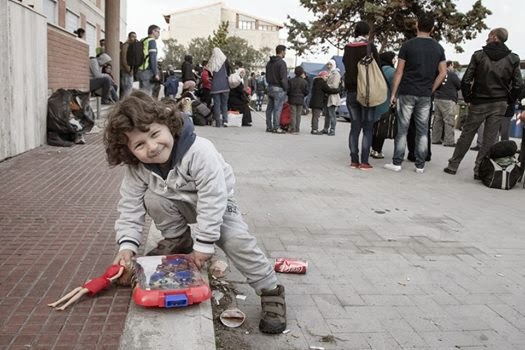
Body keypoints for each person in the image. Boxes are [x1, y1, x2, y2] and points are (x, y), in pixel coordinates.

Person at [104, 91, 287, 334]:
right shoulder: (137, 168)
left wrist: (205, 244)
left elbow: (213, 199)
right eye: (139, 144)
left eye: (154, 134)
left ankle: (270, 289)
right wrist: (126, 246)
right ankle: (178, 238)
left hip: (218, 203)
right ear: (127, 150)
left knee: (234, 239)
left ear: (168, 124)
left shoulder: (200, 151)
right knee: (152, 197)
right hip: (177, 202)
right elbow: (130, 206)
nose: (152, 147)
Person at [444, 27, 523, 179]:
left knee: (467, 134)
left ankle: (453, 165)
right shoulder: (513, 59)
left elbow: (466, 80)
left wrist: (468, 99)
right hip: (500, 103)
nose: (486, 38)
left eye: (488, 35)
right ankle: (479, 170)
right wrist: (509, 101)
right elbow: (518, 85)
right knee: (489, 138)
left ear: (494, 37)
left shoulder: (479, 55)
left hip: (479, 101)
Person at [384, 12, 447, 174]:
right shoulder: (438, 48)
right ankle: (420, 165)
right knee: (423, 130)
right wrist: (432, 88)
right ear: (432, 29)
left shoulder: (408, 46)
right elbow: (443, 72)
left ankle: (397, 162)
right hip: (425, 94)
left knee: (402, 129)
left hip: (407, 91)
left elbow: (399, 72)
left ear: (417, 25)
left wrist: (393, 93)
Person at [343, 21, 381, 170]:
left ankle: (354, 160)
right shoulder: (370, 47)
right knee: (368, 127)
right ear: (368, 32)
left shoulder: (348, 47)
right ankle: (364, 162)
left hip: (352, 92)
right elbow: (377, 68)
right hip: (367, 92)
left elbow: (346, 65)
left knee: (355, 127)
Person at [371, 52, 397, 159]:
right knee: (381, 127)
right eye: (394, 59)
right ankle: (377, 150)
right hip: (385, 102)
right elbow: (395, 86)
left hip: (373, 101)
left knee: (373, 126)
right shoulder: (391, 71)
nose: (395, 61)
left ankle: (372, 148)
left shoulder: (374, 69)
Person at [432, 61, 461, 147]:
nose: (453, 68)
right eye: (452, 66)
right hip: (448, 99)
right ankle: (449, 141)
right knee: (449, 121)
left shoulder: (438, 74)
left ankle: (435, 139)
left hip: (437, 98)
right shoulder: (452, 75)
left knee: (437, 120)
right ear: (450, 65)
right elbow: (459, 85)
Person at [265, 45, 288, 133]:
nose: (285, 53)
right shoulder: (281, 63)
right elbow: (283, 78)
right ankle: (276, 127)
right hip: (279, 88)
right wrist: (286, 88)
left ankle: (269, 126)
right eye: (285, 51)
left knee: (269, 109)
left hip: (270, 87)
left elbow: (266, 76)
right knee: (277, 109)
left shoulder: (269, 63)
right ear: (282, 52)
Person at [209, 48, 231, 127]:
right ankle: (225, 121)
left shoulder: (212, 62)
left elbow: (209, 73)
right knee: (224, 104)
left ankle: (218, 122)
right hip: (225, 85)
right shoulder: (225, 60)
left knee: (217, 104)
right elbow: (228, 72)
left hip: (215, 86)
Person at [136, 24, 160, 96]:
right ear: (153, 31)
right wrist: (155, 73)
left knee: (142, 94)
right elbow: (152, 58)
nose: (159, 34)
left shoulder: (143, 40)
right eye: (158, 32)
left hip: (140, 69)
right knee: (147, 96)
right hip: (147, 70)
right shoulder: (152, 41)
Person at [320, 59, 341, 136]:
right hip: (327, 96)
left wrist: (325, 86)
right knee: (327, 114)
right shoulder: (329, 73)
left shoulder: (336, 74)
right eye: (328, 64)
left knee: (332, 114)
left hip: (333, 97)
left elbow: (335, 86)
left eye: (330, 65)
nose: (328, 66)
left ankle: (332, 130)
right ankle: (325, 129)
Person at [287, 66, 308, 134]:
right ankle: (297, 128)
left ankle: (292, 128)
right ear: (302, 72)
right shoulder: (304, 82)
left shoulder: (291, 80)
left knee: (293, 114)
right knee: (298, 115)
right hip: (300, 99)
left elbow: (288, 90)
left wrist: (290, 95)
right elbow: (306, 92)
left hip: (292, 99)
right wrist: (302, 95)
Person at [120, 32, 137, 99]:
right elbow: (124, 59)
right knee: (127, 90)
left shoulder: (132, 46)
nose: (134, 38)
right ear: (129, 37)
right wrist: (129, 70)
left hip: (130, 71)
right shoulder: (126, 45)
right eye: (133, 36)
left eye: (135, 37)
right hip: (126, 71)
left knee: (129, 90)